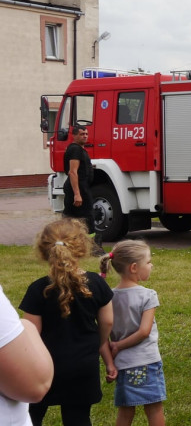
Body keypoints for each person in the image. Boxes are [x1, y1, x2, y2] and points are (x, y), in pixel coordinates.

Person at [19, 218, 115, 426]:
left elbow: (30, 334)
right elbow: (107, 321)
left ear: (44, 250)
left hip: (44, 368)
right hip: (83, 366)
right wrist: (100, 342)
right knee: (78, 418)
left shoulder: (37, 289)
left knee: (31, 415)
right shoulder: (96, 284)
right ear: (82, 248)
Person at [100, 240, 166, 426]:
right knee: (154, 409)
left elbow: (102, 335)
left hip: (122, 365)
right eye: (149, 262)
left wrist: (110, 361)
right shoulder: (148, 295)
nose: (151, 265)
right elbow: (144, 331)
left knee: (125, 410)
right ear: (134, 267)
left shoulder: (108, 297)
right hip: (147, 362)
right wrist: (118, 345)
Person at [0, 282, 53, 426]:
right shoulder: (95, 283)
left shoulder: (38, 288)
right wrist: (26, 325)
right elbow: (36, 385)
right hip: (76, 367)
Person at [62, 125, 98, 248]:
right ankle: (93, 247)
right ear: (74, 135)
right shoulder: (75, 150)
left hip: (81, 187)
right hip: (78, 189)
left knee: (73, 217)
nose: (85, 136)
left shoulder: (79, 150)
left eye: (86, 134)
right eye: (82, 134)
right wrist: (77, 194)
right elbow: (72, 172)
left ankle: (71, 245)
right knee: (87, 217)